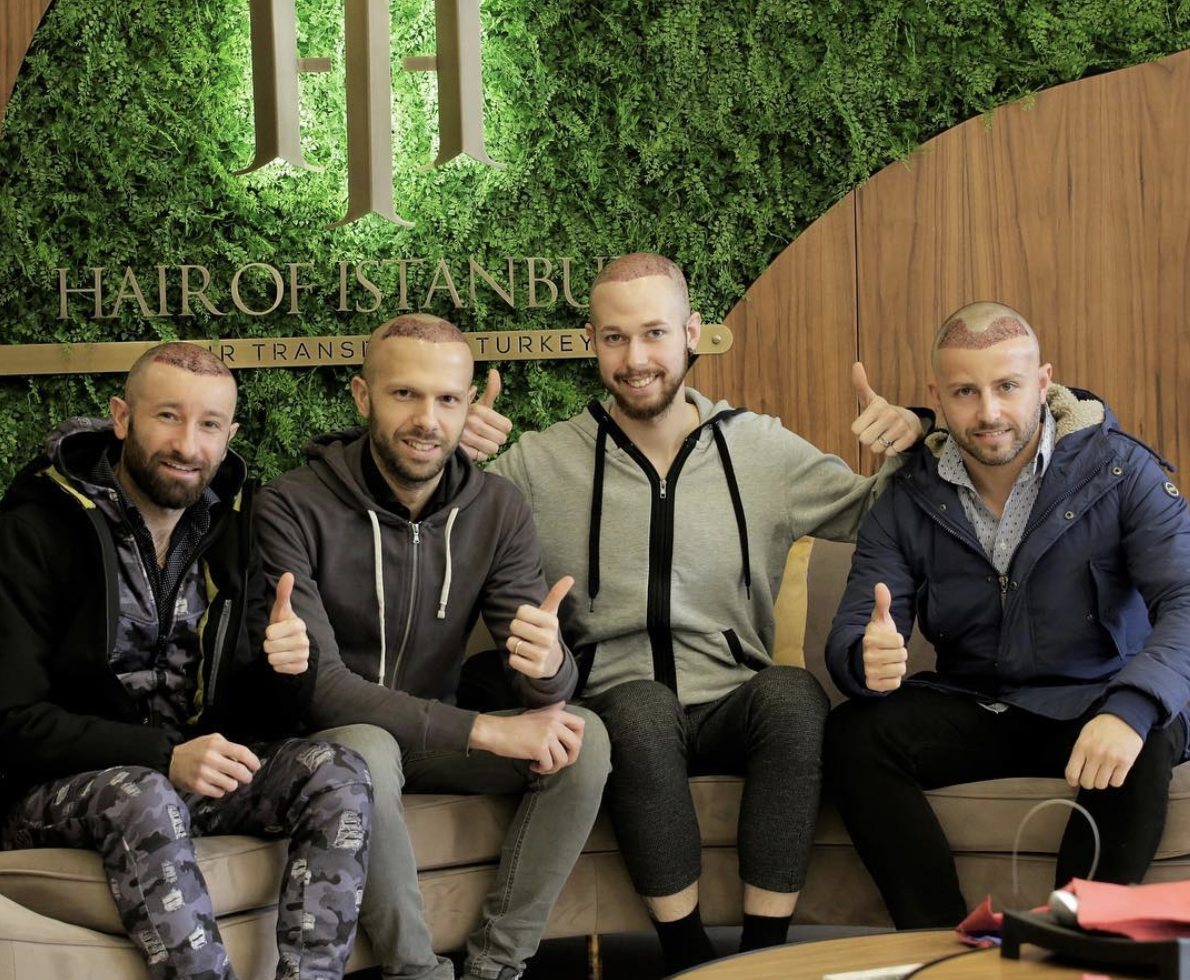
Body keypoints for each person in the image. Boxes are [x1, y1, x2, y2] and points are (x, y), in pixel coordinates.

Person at [463, 252, 927, 975]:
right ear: (591, 342)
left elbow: (876, 514)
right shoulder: (540, 462)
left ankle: (762, 959)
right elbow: (440, 535)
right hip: (617, 706)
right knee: (642, 707)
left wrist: (914, 438)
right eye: (614, 338)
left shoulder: (760, 448)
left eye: (654, 333)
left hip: (733, 703)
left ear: (691, 333)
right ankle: (687, 959)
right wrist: (451, 456)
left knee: (793, 694)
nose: (635, 359)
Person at [254, 313, 611, 980]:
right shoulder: (290, 505)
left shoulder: (497, 508)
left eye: (448, 399)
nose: (427, 419)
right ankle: (418, 974)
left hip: (432, 743)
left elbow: (540, 683)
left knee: (580, 738)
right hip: (329, 748)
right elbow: (321, 688)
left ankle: (496, 968)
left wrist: (549, 667)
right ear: (363, 397)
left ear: (468, 404)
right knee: (365, 747)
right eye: (405, 395)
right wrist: (484, 731)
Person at [0, 343, 373, 980]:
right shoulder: (33, 528)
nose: (187, 445)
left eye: (209, 425)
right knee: (144, 794)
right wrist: (164, 756)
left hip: (188, 776)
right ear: (122, 417)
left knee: (337, 771)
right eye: (168, 416)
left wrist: (289, 669)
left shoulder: (234, 524)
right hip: (54, 790)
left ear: (230, 436)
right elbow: (12, 719)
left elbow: (256, 718)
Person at [824, 301, 1190, 929]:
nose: (989, 412)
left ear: (1044, 383)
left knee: (1148, 733)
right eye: (965, 392)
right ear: (937, 396)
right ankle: (938, 945)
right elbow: (863, 617)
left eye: (1007, 386)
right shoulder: (906, 497)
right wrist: (863, 658)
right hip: (979, 704)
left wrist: (1130, 708)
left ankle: (1072, 941)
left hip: (1096, 698)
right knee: (855, 734)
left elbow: (1184, 599)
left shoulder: (1122, 472)